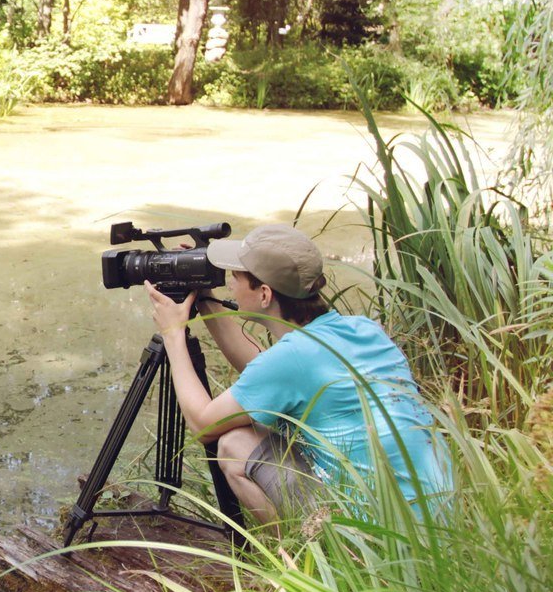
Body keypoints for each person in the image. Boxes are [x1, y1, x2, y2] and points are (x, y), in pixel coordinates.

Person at [143, 224, 449, 525]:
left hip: (378, 531)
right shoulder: (362, 329)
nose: (230, 285)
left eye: (236, 276)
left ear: (264, 294)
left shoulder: (292, 359)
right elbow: (266, 375)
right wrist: (207, 300)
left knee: (234, 445)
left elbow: (202, 423)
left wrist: (172, 333)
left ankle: (295, 561)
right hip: (435, 520)